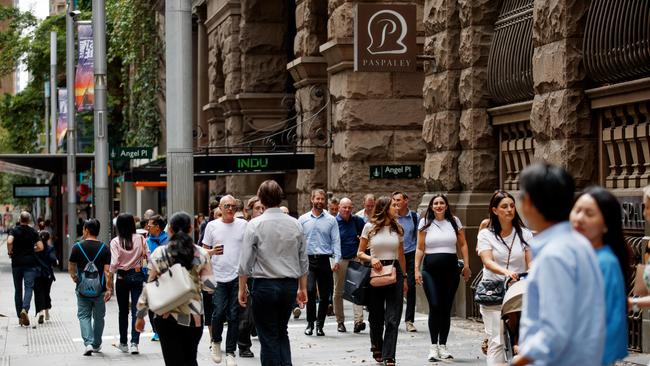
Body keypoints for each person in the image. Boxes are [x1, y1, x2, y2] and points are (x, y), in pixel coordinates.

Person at [511, 163, 605, 366]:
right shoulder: (578, 244)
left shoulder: (554, 255)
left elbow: (554, 332)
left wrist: (517, 362)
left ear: (528, 202)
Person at [238, 180, 308, 366]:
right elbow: (303, 260)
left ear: (261, 198)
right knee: (281, 330)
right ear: (280, 197)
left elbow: (245, 262)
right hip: (288, 285)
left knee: (267, 335)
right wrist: (302, 287)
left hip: (265, 285)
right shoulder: (295, 224)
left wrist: (242, 288)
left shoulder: (254, 225)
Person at [135, 211, 215, 366]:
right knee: (190, 359)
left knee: (172, 361)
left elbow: (149, 286)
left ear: (169, 229)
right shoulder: (202, 254)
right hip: (193, 317)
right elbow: (210, 287)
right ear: (191, 229)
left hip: (166, 316)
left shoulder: (160, 253)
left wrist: (140, 315)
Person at [570, 187, 629, 366]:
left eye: (589, 213)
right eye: (577, 210)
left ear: (605, 225)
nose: (580, 218)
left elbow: (611, 321)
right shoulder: (578, 256)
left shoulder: (605, 263)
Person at [476, 191, 533, 365]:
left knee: (522, 339)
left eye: (512, 206)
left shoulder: (524, 234)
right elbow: (487, 261)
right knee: (497, 341)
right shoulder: (486, 234)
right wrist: (506, 272)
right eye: (504, 206)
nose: (509, 210)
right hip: (494, 290)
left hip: (518, 291)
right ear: (494, 210)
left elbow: (531, 263)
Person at [414, 194, 471, 361]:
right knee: (435, 304)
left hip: (451, 270)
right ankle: (433, 347)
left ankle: (443, 346)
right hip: (430, 270)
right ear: (431, 207)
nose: (439, 206)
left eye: (442, 203)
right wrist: (416, 269)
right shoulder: (425, 223)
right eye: (435, 203)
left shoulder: (454, 221)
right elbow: (419, 248)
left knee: (446, 308)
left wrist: (466, 265)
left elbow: (463, 244)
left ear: (446, 206)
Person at [356, 196, 407, 366]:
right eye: (394, 205)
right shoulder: (369, 227)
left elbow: (401, 255)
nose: (397, 207)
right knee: (376, 316)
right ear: (385, 208)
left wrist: (405, 278)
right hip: (376, 272)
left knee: (393, 317)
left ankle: (389, 355)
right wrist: (371, 259)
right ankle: (377, 345)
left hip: (394, 272)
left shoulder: (398, 229)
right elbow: (360, 253)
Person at [201, 195, 247, 366]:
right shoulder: (212, 226)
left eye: (233, 206)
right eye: (226, 206)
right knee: (219, 312)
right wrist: (207, 281)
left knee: (234, 315)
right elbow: (204, 253)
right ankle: (216, 342)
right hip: (218, 276)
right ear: (220, 207)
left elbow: (248, 249)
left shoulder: (243, 225)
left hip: (237, 276)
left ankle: (230, 352)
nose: (230, 209)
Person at [299, 189, 341, 336]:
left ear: (325, 201)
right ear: (312, 200)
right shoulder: (303, 219)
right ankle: (310, 323)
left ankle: (319, 325)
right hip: (308, 260)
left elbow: (336, 240)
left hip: (324, 260)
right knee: (310, 291)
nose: (319, 201)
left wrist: (337, 259)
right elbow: (298, 241)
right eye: (317, 198)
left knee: (324, 295)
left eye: (322, 199)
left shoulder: (331, 220)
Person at [68, 218, 112, 356]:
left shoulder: (77, 247)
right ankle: (96, 344)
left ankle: (88, 343)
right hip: (100, 290)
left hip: (82, 289)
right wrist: (109, 288)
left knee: (83, 315)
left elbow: (71, 267)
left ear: (86, 230)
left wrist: (75, 278)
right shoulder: (104, 248)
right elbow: (107, 272)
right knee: (99, 317)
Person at [110, 213, 149, 354]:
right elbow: (148, 256)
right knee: (136, 311)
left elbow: (114, 262)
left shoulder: (115, 241)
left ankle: (123, 343)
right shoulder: (140, 238)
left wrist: (110, 274)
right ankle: (134, 343)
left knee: (123, 312)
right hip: (137, 275)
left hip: (121, 277)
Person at [333, 197, 367, 333]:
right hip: (340, 260)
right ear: (339, 207)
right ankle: (340, 321)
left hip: (355, 260)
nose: (347, 210)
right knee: (338, 291)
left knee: (357, 289)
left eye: (349, 208)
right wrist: (334, 260)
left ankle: (358, 321)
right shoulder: (334, 222)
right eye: (344, 207)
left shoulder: (357, 221)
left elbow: (366, 234)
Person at [237, 195, 265, 358]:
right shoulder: (246, 228)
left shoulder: (268, 226)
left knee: (261, 313)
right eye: (257, 208)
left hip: (266, 275)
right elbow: (243, 255)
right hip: (249, 275)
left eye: (263, 208)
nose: (261, 211)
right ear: (249, 211)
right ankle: (243, 346)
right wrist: (243, 280)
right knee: (246, 315)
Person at [7, 211, 44, 326]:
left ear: (20, 219)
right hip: (30, 264)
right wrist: (33, 250)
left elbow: (9, 241)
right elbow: (41, 247)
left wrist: (10, 251)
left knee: (18, 290)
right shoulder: (33, 231)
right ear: (28, 220)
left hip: (17, 264)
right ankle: (25, 309)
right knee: (29, 288)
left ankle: (20, 318)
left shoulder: (14, 230)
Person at [391, 191, 419, 333]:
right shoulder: (391, 217)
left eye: (399, 200)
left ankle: (409, 320)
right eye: (394, 200)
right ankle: (394, 318)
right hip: (394, 256)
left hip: (410, 254)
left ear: (406, 200)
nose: (396, 202)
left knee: (411, 287)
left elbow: (419, 237)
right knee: (396, 287)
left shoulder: (414, 217)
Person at [145, 214, 168, 342]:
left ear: (158, 227)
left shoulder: (168, 240)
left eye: (150, 224)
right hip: (150, 276)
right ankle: (156, 331)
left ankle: (164, 330)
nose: (148, 226)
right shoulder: (146, 241)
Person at [34, 230, 58, 324]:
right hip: (47, 275)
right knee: (46, 292)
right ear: (48, 239)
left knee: (38, 293)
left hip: (37, 274)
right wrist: (56, 261)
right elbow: (53, 259)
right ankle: (47, 312)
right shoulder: (50, 248)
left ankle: (41, 313)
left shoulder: (35, 249)